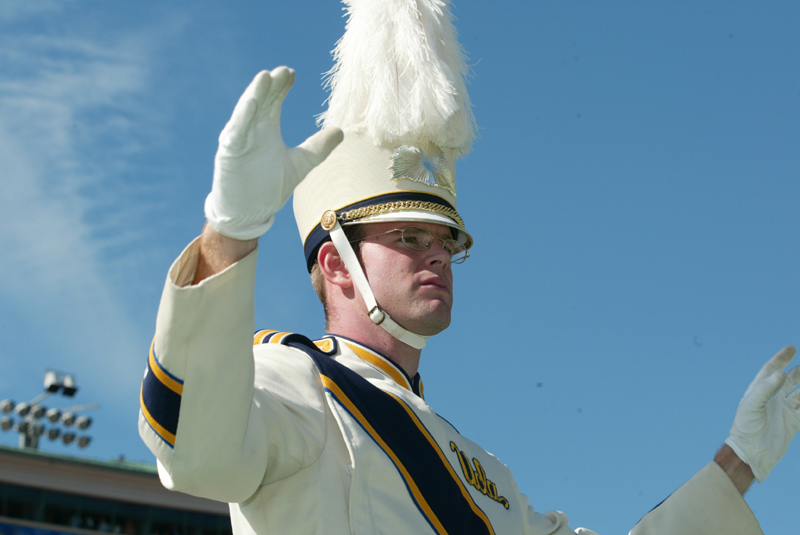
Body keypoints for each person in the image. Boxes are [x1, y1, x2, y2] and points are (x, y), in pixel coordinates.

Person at [138, 1, 800, 533]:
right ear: (338, 267)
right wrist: (230, 231)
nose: (436, 253)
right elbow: (197, 448)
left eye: (445, 240)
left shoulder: (490, 480)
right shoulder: (293, 383)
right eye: (407, 235)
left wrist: (739, 463)